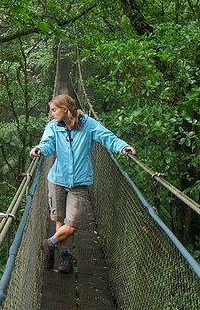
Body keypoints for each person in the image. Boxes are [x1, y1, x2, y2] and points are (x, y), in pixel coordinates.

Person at [29, 94, 136, 274]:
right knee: (60, 219)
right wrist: (39, 149)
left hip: (79, 182)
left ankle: (50, 243)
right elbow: (47, 144)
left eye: (54, 110)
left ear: (65, 109)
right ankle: (65, 257)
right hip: (57, 179)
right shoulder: (53, 127)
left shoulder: (88, 125)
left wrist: (123, 147)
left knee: (72, 223)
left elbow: (107, 137)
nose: (52, 113)